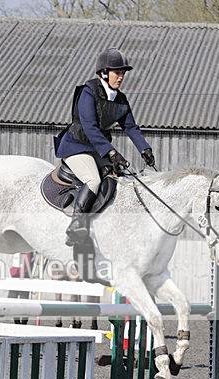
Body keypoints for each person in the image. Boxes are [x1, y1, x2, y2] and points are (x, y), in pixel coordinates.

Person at [54, 47, 156, 246]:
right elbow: (90, 128)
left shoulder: (120, 99)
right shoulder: (88, 92)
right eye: (117, 73)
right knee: (93, 180)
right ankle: (76, 225)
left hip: (95, 150)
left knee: (118, 177)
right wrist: (111, 151)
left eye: (123, 73)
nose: (121, 77)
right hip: (76, 147)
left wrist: (145, 149)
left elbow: (130, 126)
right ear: (104, 73)